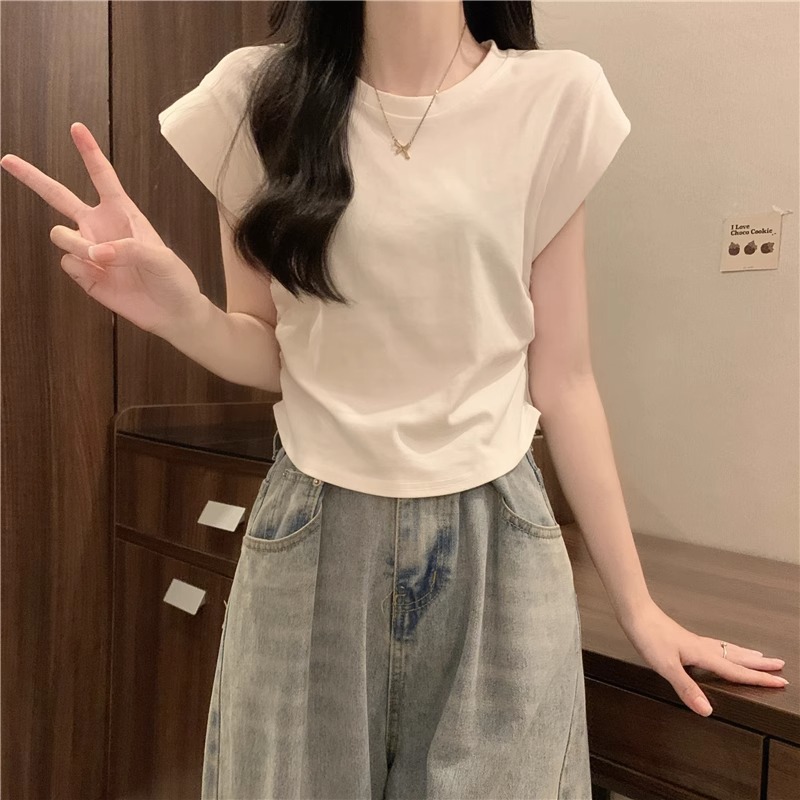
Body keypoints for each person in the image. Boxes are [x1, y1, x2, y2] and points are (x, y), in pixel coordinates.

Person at [2, 1, 788, 798]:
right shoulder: (255, 98)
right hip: (313, 530)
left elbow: (565, 378)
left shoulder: (554, 96)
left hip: (497, 539)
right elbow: (273, 350)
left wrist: (639, 609)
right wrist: (182, 316)